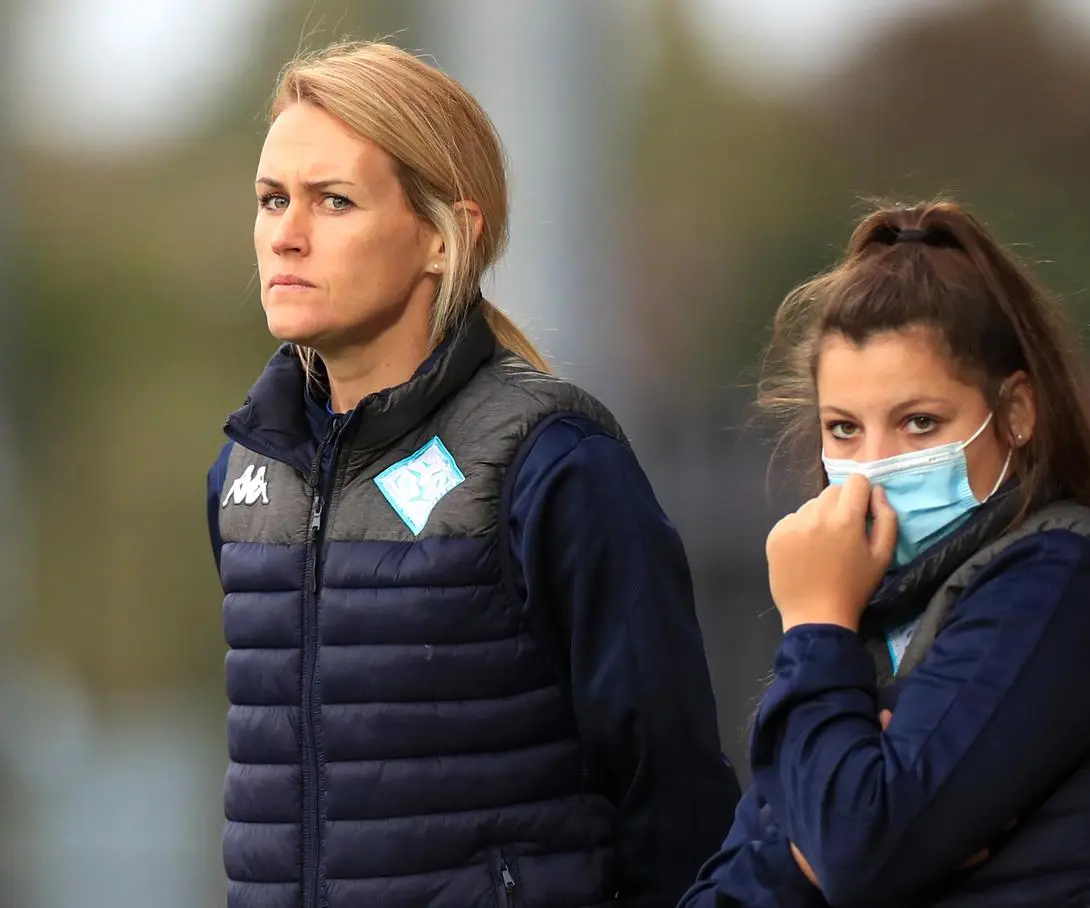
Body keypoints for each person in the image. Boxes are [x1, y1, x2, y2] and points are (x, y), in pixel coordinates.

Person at [205, 41, 741, 908]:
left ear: (444, 235)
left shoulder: (557, 464)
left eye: (334, 201)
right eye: (273, 199)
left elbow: (674, 802)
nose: (287, 234)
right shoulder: (246, 475)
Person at [679, 201, 1090, 907]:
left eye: (919, 422)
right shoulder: (870, 623)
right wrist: (819, 837)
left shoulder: (1068, 582)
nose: (872, 466)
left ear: (1016, 412)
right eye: (844, 429)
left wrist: (812, 623)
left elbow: (858, 849)